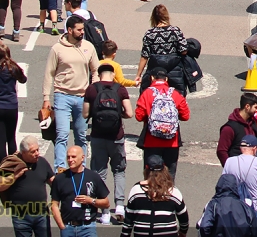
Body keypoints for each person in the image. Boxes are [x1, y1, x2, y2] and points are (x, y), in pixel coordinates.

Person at [42, 15, 100, 172]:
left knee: (81, 136)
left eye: (83, 29)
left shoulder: (88, 47)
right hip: (62, 96)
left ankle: (81, 168)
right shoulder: (57, 49)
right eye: (79, 30)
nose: (82, 32)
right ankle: (59, 168)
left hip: (83, 97)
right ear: (69, 30)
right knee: (61, 134)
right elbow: (49, 73)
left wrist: (93, 88)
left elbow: (96, 70)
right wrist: (46, 97)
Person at [83, 63, 132, 226]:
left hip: (98, 136)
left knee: (99, 173)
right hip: (116, 136)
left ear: (99, 74)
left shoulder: (92, 89)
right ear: (112, 74)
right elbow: (129, 113)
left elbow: (85, 113)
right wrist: (118, 115)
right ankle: (119, 206)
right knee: (119, 171)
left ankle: (104, 212)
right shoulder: (120, 89)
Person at [133, 67, 190, 176]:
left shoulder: (147, 93)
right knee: (169, 176)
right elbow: (185, 116)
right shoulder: (175, 94)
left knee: (152, 176)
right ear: (166, 79)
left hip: (151, 140)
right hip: (172, 141)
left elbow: (139, 116)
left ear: (152, 78)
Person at [0, 134, 55, 237]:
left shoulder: (42, 162)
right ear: (23, 153)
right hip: (21, 216)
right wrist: (15, 176)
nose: (37, 153)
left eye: (37, 150)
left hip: (41, 214)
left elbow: (53, 181)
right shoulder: (13, 164)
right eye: (33, 152)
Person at [119, 154, 188, 236]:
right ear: (164, 170)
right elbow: (184, 220)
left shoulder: (136, 191)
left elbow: (128, 222)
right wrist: (182, 233)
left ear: (146, 170)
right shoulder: (173, 191)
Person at [50, 145, 109, 237]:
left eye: (73, 157)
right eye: (68, 157)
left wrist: (91, 201)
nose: (70, 160)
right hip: (68, 227)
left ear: (82, 158)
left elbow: (106, 203)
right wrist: (61, 226)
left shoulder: (93, 177)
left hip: (88, 227)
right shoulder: (60, 178)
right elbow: (54, 204)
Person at [220, 134, 257, 235]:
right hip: (255, 208)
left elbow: (223, 185)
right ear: (254, 148)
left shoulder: (229, 161)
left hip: (234, 209)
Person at [0, 42, 26, 164]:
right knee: (11, 137)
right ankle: (14, 164)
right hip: (11, 106)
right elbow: (23, 80)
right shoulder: (13, 68)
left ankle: (3, 164)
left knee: (0, 138)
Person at [135, 5, 188, 96]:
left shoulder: (150, 33)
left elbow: (145, 55)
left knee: (150, 95)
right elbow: (183, 50)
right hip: (174, 70)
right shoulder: (175, 31)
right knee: (177, 97)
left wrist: (138, 75)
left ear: (153, 17)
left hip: (156, 70)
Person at [216, 92, 257, 166]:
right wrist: (231, 169)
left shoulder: (252, 122)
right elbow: (221, 151)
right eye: (255, 107)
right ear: (247, 106)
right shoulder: (229, 128)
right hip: (237, 171)